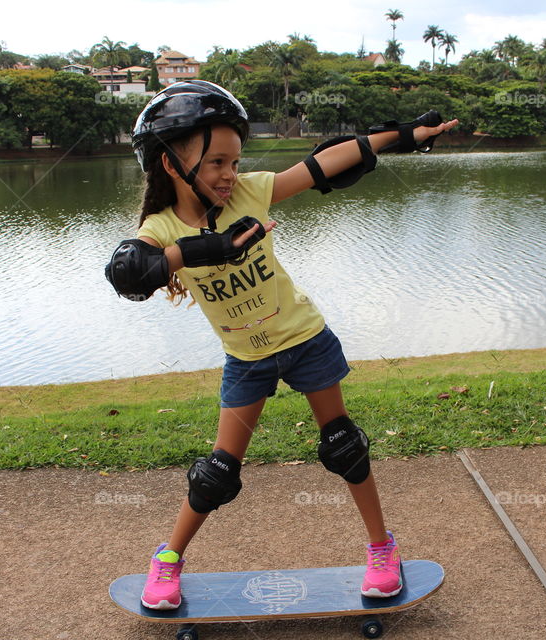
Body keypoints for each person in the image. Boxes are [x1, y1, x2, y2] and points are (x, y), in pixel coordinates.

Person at [105, 80, 458, 610]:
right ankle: (168, 560)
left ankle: (382, 550)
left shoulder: (251, 191)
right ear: (170, 163)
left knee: (344, 445)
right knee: (218, 473)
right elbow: (129, 272)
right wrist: (206, 249)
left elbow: (322, 166)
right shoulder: (161, 227)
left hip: (305, 340)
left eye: (234, 160)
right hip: (247, 359)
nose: (230, 174)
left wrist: (400, 135)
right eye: (217, 162)